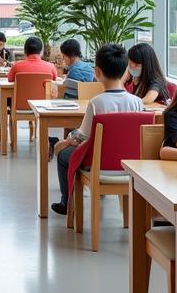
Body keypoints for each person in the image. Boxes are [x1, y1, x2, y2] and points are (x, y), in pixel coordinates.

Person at [50, 44, 144, 216]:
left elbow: (81, 136)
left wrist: (67, 139)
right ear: (125, 71)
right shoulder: (137, 102)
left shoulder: (97, 102)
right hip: (130, 165)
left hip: (97, 163)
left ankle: (66, 203)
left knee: (63, 155)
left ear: (97, 72)